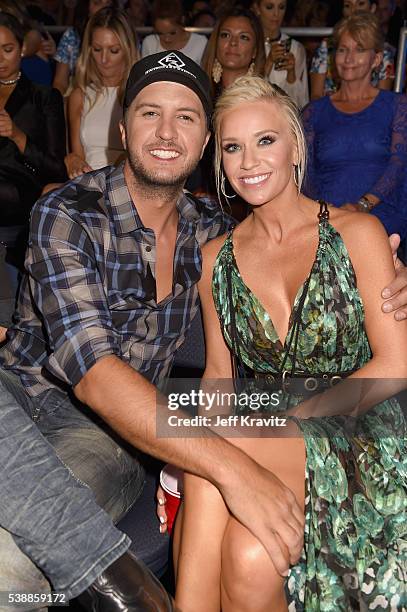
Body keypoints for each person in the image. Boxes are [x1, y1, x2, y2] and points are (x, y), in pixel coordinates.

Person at [0, 51, 306, 609]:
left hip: (105, 432)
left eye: (186, 117)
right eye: (149, 114)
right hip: (16, 399)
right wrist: (234, 469)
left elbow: (302, 235)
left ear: (207, 138)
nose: (166, 132)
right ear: (123, 127)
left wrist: (374, 265)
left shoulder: (216, 235)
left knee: (15, 562)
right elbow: (93, 370)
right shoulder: (68, 212)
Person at [168, 75, 407, 611]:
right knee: (251, 559)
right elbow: (217, 378)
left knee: (212, 461)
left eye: (265, 141)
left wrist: (289, 418)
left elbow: (397, 364)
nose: (249, 160)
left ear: (296, 145)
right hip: (269, 443)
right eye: (233, 146)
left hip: (364, 436)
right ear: (220, 161)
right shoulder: (213, 261)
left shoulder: (357, 234)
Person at [302, 12, 407, 237]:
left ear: (376, 59)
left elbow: (398, 165)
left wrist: (363, 205)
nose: (349, 58)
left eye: (359, 50)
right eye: (342, 49)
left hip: (384, 218)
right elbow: (305, 173)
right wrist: (325, 211)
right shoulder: (313, 112)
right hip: (326, 220)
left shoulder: (397, 106)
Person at [0, 11, 66, 329]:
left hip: (19, 214)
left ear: (22, 48)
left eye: (7, 49)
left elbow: (56, 169)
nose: (0, 59)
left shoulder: (43, 97)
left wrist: (17, 135)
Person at [65, 6, 138, 178]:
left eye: (113, 51)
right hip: (89, 182)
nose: (104, 60)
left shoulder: (139, 95)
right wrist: (73, 160)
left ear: (127, 50)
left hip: (129, 182)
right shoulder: (79, 96)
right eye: (97, 49)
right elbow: (78, 158)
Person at [310, 0, 395, 99]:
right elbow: (316, 96)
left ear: (372, 8)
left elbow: (383, 100)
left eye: (360, 4)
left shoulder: (383, 51)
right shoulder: (326, 46)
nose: (354, 10)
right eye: (347, 5)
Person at [252, 0, 309, 108]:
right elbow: (247, 90)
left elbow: (302, 101)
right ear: (257, 8)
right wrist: (268, 63)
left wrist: (291, 74)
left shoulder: (296, 48)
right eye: (269, 7)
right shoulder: (249, 44)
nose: (276, 14)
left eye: (281, 7)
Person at [201, 6, 266, 100]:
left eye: (243, 37)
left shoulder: (264, 97)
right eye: (226, 35)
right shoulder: (200, 93)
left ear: (255, 50)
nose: (233, 43)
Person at [52, 0, 114, 96]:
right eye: (97, 3)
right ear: (86, 8)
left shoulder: (123, 36)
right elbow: (60, 82)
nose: (103, 9)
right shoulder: (72, 36)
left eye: (108, 3)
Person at [141, 0, 208, 65]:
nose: (167, 39)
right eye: (160, 33)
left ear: (182, 20)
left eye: (172, 33)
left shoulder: (200, 43)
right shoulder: (149, 43)